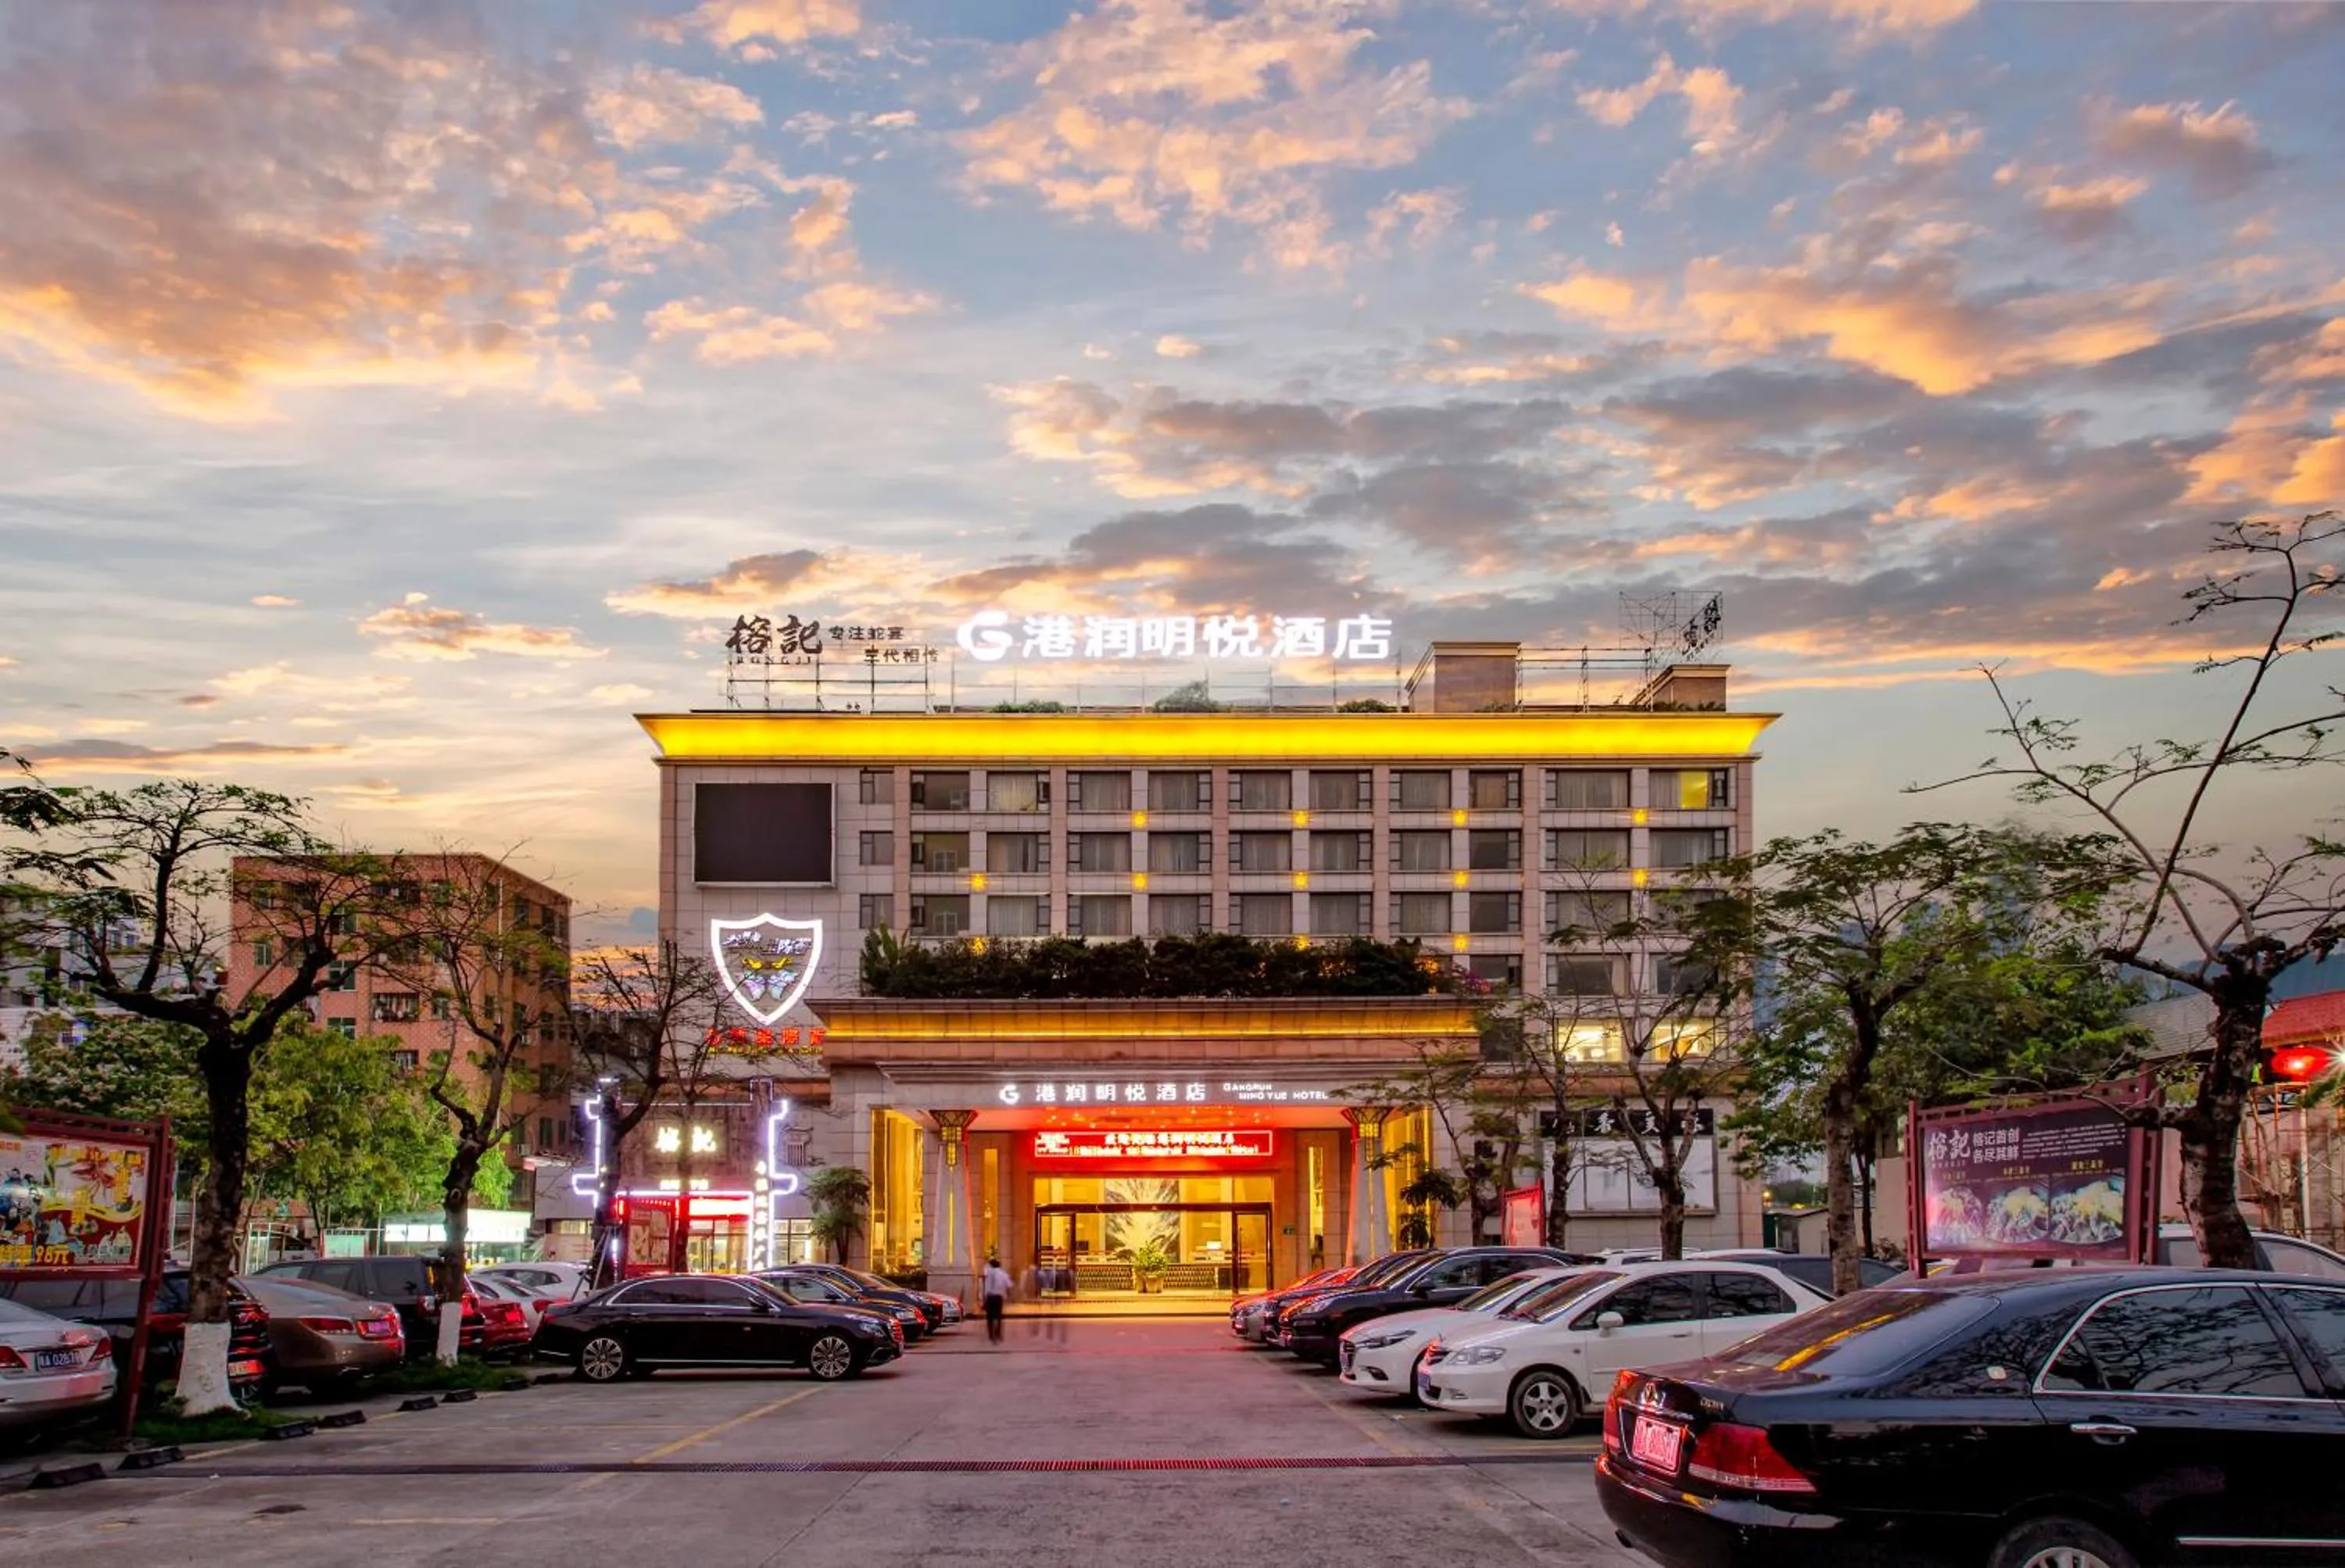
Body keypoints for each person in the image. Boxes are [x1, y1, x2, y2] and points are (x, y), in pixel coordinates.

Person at [981, 1256, 1012, 1343]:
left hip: (990, 1297)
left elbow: (985, 1286)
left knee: (990, 1317)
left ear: (991, 1265)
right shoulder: (1003, 1274)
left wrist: (984, 1298)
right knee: (998, 1316)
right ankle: (998, 1333)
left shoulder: (988, 1272)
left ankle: (991, 1334)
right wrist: (1009, 1296)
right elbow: (1008, 1286)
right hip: (998, 1297)